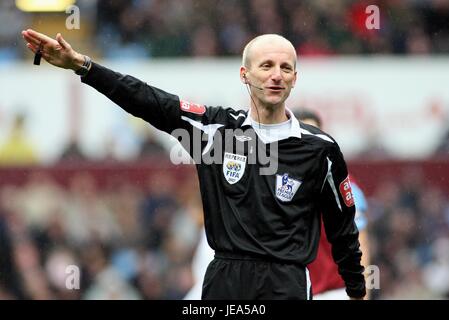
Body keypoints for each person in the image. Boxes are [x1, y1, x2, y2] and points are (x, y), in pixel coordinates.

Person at [21, 29, 366, 300]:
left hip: (286, 281)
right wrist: (84, 66)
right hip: (226, 280)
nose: (276, 75)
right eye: (266, 66)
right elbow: (147, 99)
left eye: (285, 67)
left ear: (294, 78)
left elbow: (343, 228)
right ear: (245, 75)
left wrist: (355, 289)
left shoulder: (320, 149)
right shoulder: (215, 129)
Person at [295, 109, 371, 300]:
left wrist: (363, 293)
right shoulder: (279, 184)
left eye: (314, 133)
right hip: (294, 291)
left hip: (336, 293)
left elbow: (360, 243)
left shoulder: (346, 186)